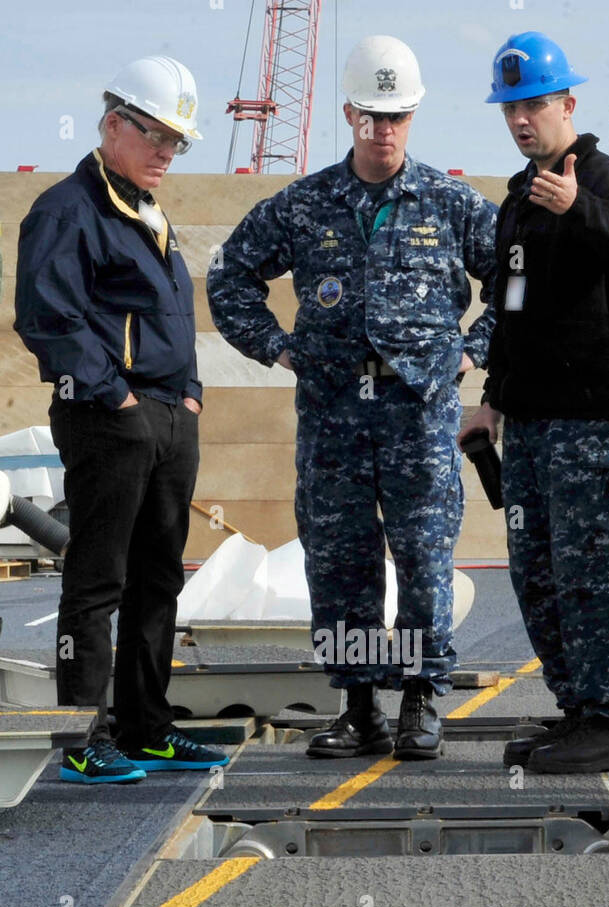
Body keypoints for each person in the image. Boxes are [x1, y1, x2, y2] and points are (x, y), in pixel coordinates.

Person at [208, 35, 497, 760]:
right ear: (348, 113)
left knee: (424, 556)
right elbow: (230, 276)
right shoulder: (305, 204)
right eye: (371, 114)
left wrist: (473, 348)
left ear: (414, 114)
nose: (383, 128)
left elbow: (520, 285)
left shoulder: (452, 202)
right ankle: (361, 704)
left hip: (417, 414)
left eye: (396, 115)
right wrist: (276, 347)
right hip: (334, 416)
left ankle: (423, 698)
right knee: (340, 560)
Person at [15, 56, 228, 784]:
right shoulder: (67, 210)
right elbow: (47, 317)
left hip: (168, 418)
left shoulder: (147, 206)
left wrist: (189, 394)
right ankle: (82, 736)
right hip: (109, 417)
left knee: (157, 580)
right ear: (113, 125)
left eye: (178, 141)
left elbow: (173, 317)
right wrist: (118, 398)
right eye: (157, 135)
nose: (168, 151)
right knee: (96, 579)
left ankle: (146, 730)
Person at [461, 31, 609, 774]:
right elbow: (509, 309)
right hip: (533, 422)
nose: (521, 119)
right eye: (510, 107)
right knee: (536, 570)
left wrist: (578, 206)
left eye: (535, 104)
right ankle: (578, 710)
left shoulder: (604, 179)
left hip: (595, 420)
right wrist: (490, 401)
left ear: (567, 103)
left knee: (590, 567)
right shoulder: (516, 202)